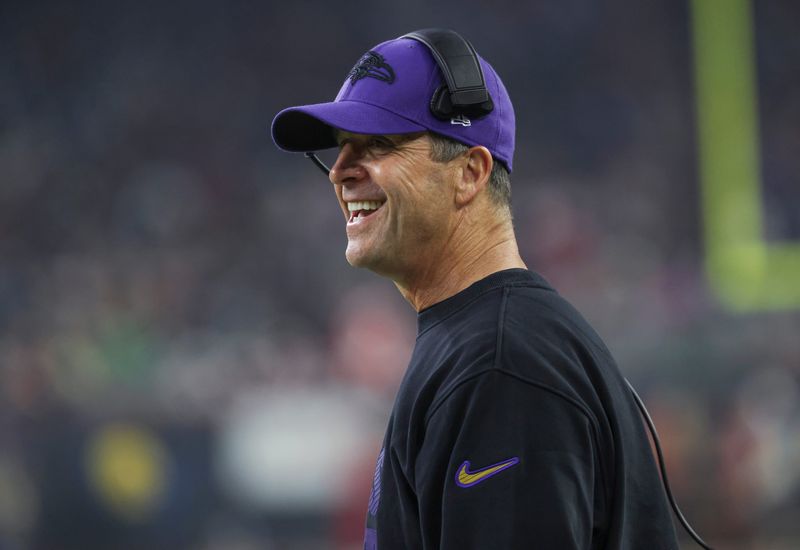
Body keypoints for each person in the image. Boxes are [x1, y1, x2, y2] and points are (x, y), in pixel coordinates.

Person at [271, 29, 679, 549]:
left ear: (470, 172)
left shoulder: (502, 365)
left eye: (377, 145)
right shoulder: (485, 342)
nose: (340, 173)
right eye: (339, 150)